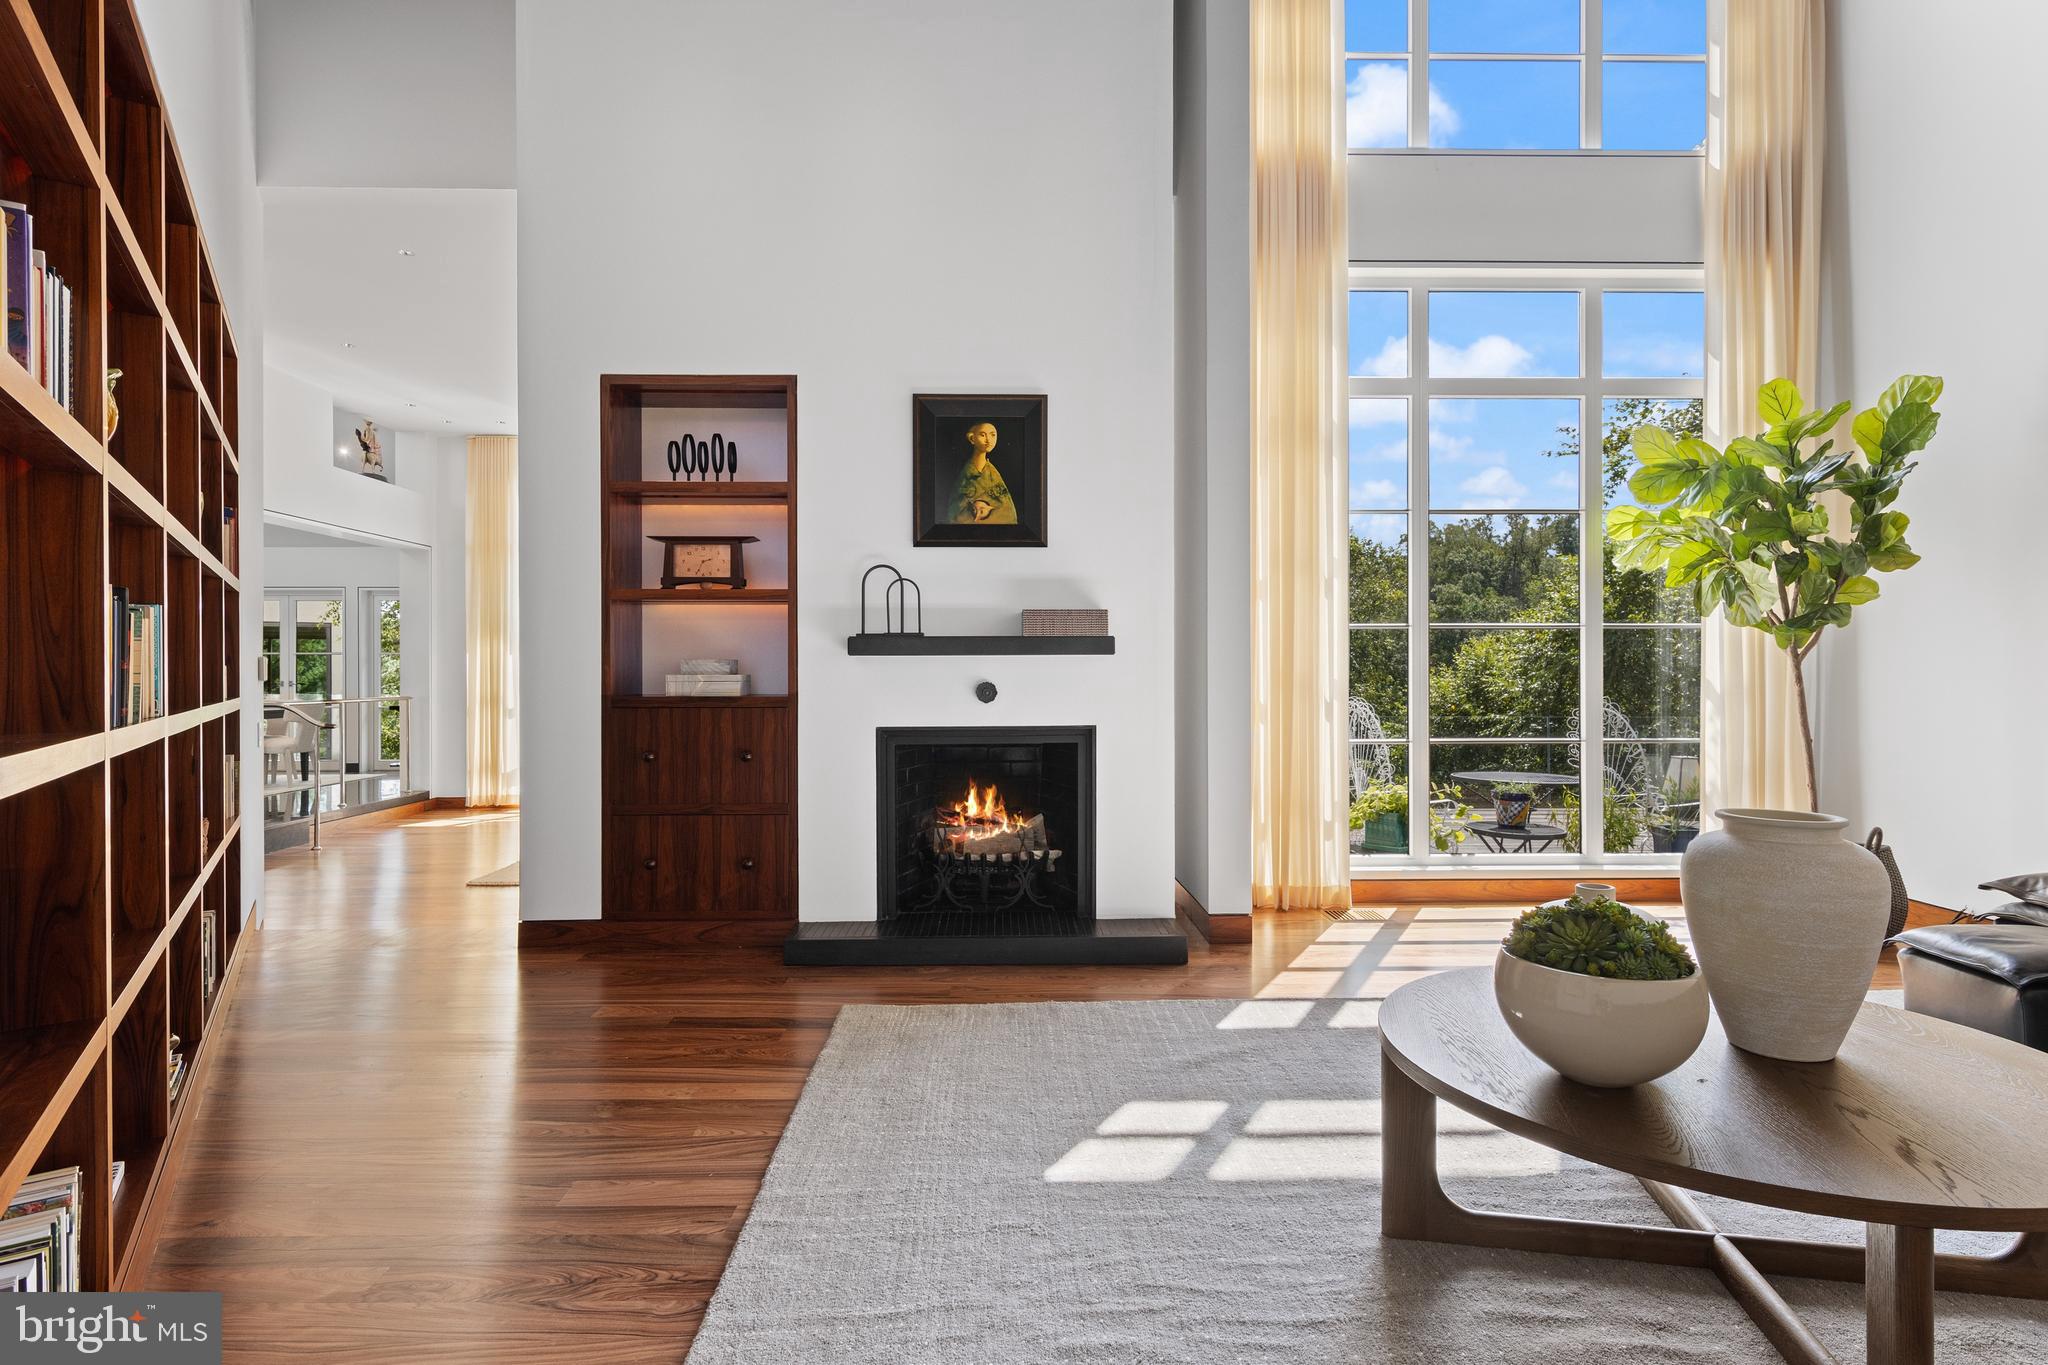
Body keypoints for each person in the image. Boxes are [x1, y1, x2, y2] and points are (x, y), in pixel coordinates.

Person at [946, 421, 1017, 524]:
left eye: (993, 435)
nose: (989, 440)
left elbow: (1007, 511)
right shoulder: (968, 472)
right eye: (982, 435)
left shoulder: (992, 471)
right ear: (972, 438)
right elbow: (956, 512)